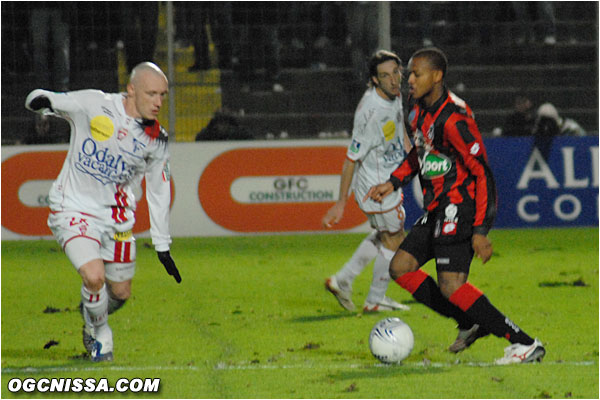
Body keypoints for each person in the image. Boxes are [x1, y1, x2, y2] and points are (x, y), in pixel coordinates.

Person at [364, 47, 546, 364]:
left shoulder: (455, 118)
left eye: (416, 74)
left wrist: (480, 230)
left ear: (436, 76)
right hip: (436, 208)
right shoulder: (415, 110)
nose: (410, 80)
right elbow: (419, 155)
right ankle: (470, 319)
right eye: (409, 74)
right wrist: (393, 182)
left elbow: (482, 173)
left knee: (451, 286)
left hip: (458, 208)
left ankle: (524, 343)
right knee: (400, 268)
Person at [25, 62, 182, 362]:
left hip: (117, 220)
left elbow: (159, 191)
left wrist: (162, 245)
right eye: (152, 94)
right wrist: (41, 100)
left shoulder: (156, 139)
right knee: (94, 277)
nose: (159, 102)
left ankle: (92, 312)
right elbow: (51, 99)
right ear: (132, 89)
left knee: (120, 293)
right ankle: (99, 336)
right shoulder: (95, 104)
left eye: (163, 94)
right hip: (73, 208)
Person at [322, 50, 412, 313]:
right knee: (395, 240)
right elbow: (351, 159)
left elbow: (399, 128)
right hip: (377, 187)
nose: (394, 80)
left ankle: (343, 280)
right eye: (385, 75)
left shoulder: (393, 96)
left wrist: (411, 150)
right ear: (374, 80)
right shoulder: (370, 113)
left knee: (385, 236)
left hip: (386, 180)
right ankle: (375, 299)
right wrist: (340, 203)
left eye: (396, 72)